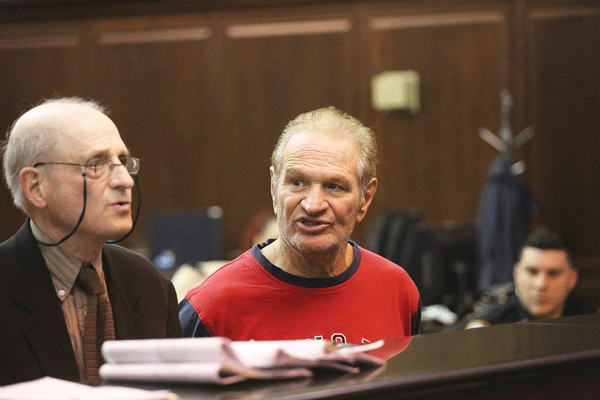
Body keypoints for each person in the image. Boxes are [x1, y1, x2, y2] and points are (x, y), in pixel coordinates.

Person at [180, 106, 421, 344]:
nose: (313, 205)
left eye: (334, 186)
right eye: (297, 182)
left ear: (365, 198)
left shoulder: (398, 291)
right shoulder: (211, 307)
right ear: (275, 188)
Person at [0, 98, 182, 385]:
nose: (125, 180)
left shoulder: (150, 285)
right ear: (36, 187)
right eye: (96, 164)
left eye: (122, 161)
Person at [454, 226, 584, 329]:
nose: (541, 285)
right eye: (532, 272)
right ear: (516, 274)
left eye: (553, 273)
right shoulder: (490, 325)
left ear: (572, 279)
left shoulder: (588, 325)